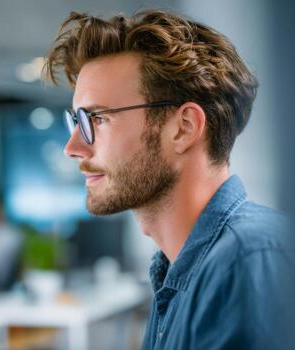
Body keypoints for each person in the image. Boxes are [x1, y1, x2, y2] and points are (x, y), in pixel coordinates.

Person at [43, 10, 294, 349]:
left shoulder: (246, 262)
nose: (72, 148)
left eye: (96, 119)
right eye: (76, 121)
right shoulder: (177, 270)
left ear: (184, 128)